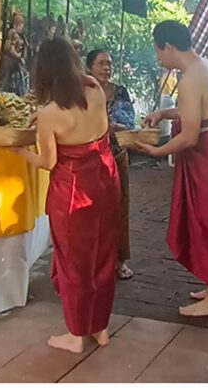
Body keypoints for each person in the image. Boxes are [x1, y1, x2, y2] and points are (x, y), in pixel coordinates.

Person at [10, 37, 121, 353]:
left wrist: (19, 150)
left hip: (73, 190)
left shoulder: (50, 113)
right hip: (105, 179)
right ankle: (100, 327)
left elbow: (48, 162)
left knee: (74, 261)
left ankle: (75, 334)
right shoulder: (95, 89)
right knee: (103, 254)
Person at [136, 21, 208, 317]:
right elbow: (194, 109)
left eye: (159, 51)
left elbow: (189, 135)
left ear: (169, 47)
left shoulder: (188, 80)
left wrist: (156, 151)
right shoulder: (204, 66)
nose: (159, 57)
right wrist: (163, 112)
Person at [86, 49, 135, 280]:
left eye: (109, 64)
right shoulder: (81, 92)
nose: (106, 68)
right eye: (101, 64)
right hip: (89, 159)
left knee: (120, 206)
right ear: (89, 68)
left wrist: (113, 125)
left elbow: (128, 121)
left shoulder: (120, 91)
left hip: (116, 155)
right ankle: (95, 261)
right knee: (92, 211)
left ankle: (119, 260)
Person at [0, 12, 30, 96]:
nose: (22, 27)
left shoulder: (13, 33)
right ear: (15, 25)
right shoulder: (13, 33)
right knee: (6, 80)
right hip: (10, 61)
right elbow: (10, 49)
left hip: (10, 60)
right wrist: (19, 57)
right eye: (20, 25)